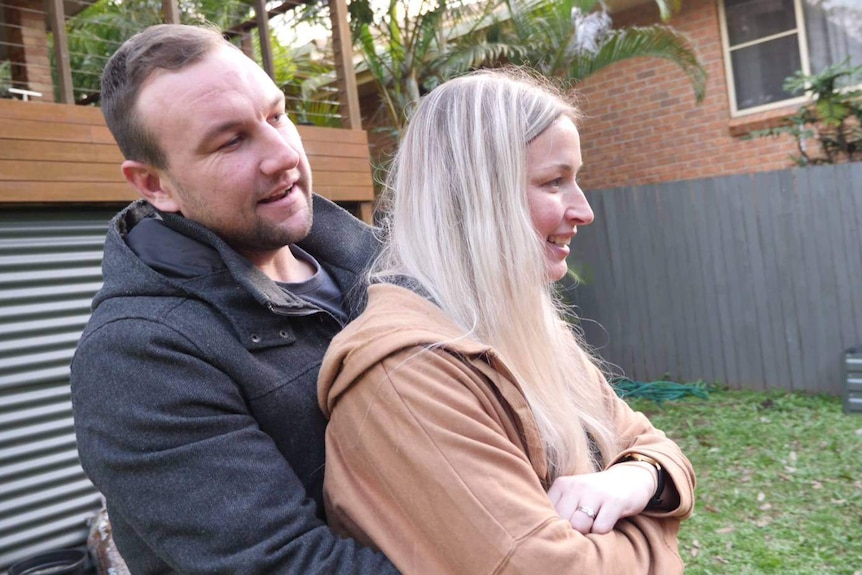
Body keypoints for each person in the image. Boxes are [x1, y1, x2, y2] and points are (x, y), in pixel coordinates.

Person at [318, 68, 696, 574]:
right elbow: (545, 568)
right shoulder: (407, 372)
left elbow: (650, 443)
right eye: (553, 182)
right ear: (477, 195)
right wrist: (656, 525)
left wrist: (633, 481)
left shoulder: (520, 324)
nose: (583, 210)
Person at [70, 24, 399, 573]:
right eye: (231, 140)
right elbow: (287, 564)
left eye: (277, 115)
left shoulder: (389, 265)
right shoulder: (139, 356)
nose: (283, 155)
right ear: (155, 184)